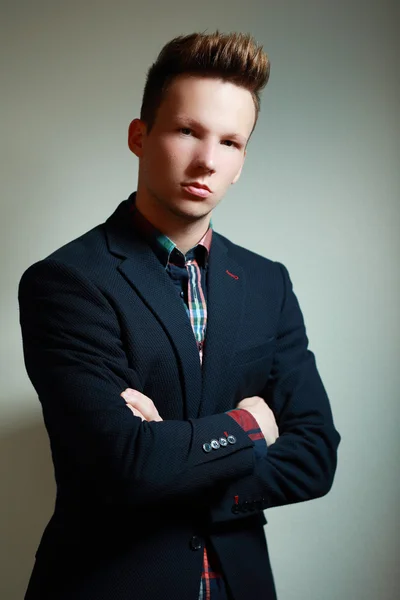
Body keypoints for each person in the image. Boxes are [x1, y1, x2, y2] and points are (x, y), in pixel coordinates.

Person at [18, 31, 340, 600]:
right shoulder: (66, 282)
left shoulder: (268, 283)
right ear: (139, 137)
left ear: (242, 162)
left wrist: (172, 459)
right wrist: (250, 428)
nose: (207, 160)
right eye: (187, 130)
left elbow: (315, 455)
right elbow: (124, 462)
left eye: (231, 142)